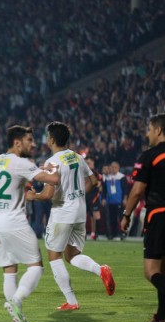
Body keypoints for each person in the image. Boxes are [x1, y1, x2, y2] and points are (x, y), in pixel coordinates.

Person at [25, 122, 115, 311]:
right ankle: (101, 270)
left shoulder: (52, 162)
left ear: (51, 139)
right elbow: (94, 181)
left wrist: (34, 196)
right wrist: (78, 194)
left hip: (62, 214)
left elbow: (48, 194)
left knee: (54, 256)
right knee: (72, 255)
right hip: (80, 213)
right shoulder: (77, 157)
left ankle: (72, 301)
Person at [0, 125, 59, 322]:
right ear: (17, 143)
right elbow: (54, 180)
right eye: (29, 140)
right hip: (14, 222)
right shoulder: (21, 163)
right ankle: (17, 299)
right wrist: (54, 168)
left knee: (10, 270)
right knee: (36, 266)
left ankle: (18, 321)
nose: (33, 144)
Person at [121, 113, 165, 322]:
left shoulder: (149, 155)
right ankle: (161, 318)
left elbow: (137, 190)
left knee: (151, 270)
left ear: (158, 130)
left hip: (159, 215)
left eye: (149, 129)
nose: (147, 134)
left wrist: (126, 215)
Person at [102, 161, 129, 240]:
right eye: (112, 167)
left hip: (120, 201)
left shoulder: (122, 177)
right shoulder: (107, 178)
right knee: (112, 218)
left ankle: (122, 233)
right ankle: (113, 234)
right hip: (110, 201)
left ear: (118, 168)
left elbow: (126, 189)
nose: (113, 169)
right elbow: (104, 190)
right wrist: (103, 198)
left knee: (121, 218)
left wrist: (125, 199)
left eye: (115, 167)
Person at [85, 157, 103, 240]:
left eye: (88, 163)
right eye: (86, 163)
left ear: (93, 163)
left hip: (93, 197)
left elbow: (99, 184)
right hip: (84, 196)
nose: (87, 165)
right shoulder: (82, 172)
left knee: (96, 215)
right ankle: (83, 234)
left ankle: (96, 233)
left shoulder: (96, 173)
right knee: (83, 216)